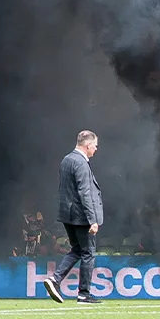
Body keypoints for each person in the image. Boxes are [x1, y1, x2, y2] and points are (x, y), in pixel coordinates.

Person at [42, 130, 104, 305]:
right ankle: (83, 294)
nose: (96, 149)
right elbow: (85, 193)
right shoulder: (81, 163)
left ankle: (55, 279)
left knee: (77, 249)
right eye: (95, 146)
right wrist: (92, 219)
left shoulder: (66, 159)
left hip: (67, 214)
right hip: (81, 215)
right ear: (88, 145)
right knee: (88, 252)